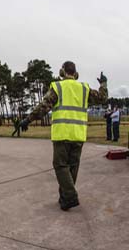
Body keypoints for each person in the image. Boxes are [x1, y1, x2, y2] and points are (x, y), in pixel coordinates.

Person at [19, 62, 108, 211]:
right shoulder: (84, 89)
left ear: (62, 71)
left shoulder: (58, 87)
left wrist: (28, 120)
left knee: (60, 165)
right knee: (72, 167)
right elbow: (102, 98)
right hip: (79, 134)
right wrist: (104, 84)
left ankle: (71, 195)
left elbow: (43, 108)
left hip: (62, 134)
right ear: (75, 73)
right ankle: (65, 198)